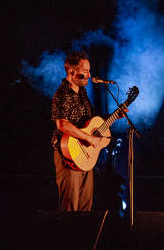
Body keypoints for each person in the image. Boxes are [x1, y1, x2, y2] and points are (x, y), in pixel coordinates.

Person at [50, 51, 109, 211]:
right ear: (72, 72)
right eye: (85, 71)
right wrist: (89, 139)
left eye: (89, 71)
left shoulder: (82, 95)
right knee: (70, 206)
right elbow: (62, 125)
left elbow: (88, 123)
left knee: (85, 206)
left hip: (84, 156)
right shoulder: (62, 94)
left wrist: (113, 117)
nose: (89, 75)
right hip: (68, 155)